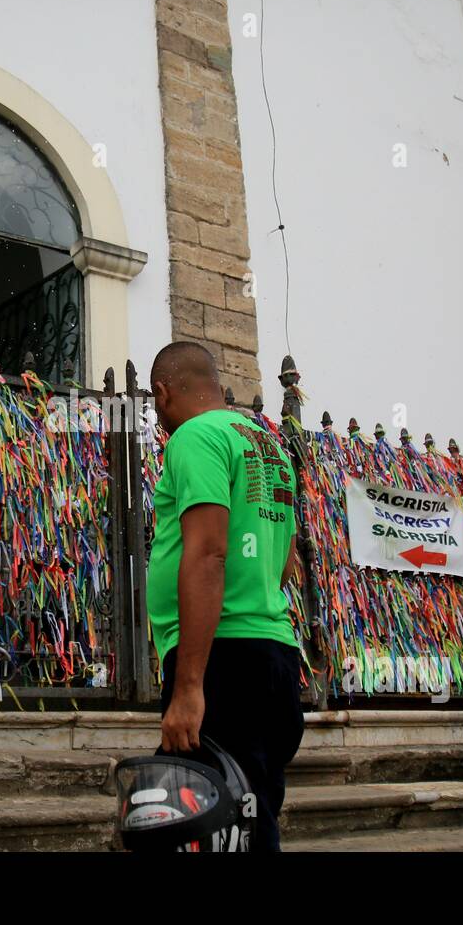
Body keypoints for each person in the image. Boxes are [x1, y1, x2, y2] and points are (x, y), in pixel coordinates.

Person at [146, 341, 305, 851]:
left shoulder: (194, 437)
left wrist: (190, 686)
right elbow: (284, 565)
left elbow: (210, 552)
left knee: (212, 826)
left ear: (162, 393)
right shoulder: (268, 445)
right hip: (273, 653)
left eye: (155, 406)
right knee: (248, 819)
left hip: (222, 661)